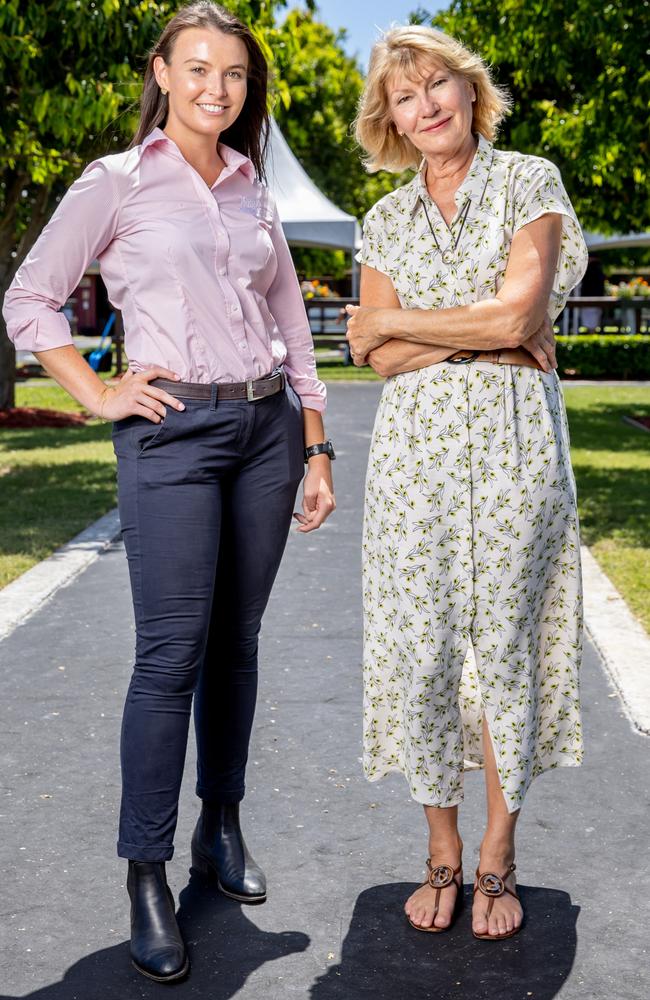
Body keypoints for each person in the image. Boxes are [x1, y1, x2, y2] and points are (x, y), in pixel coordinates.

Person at [3, 1, 335, 983]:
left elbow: (291, 325)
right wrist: (96, 388)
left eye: (231, 75)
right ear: (161, 70)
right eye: (195, 69)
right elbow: (28, 297)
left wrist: (316, 447)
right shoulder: (114, 182)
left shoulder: (250, 189)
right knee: (169, 656)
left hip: (267, 429)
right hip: (171, 437)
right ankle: (146, 873)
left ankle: (217, 829)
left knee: (236, 644)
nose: (214, 90)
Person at [346, 25, 586, 941]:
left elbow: (523, 307)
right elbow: (369, 353)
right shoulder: (382, 221)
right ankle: (440, 853)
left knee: (506, 650)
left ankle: (497, 857)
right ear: (392, 120)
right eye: (406, 96)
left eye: (438, 83)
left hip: (518, 451)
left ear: (468, 89)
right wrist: (481, 328)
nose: (426, 105)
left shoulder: (530, 179)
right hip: (415, 465)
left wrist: (410, 324)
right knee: (424, 655)